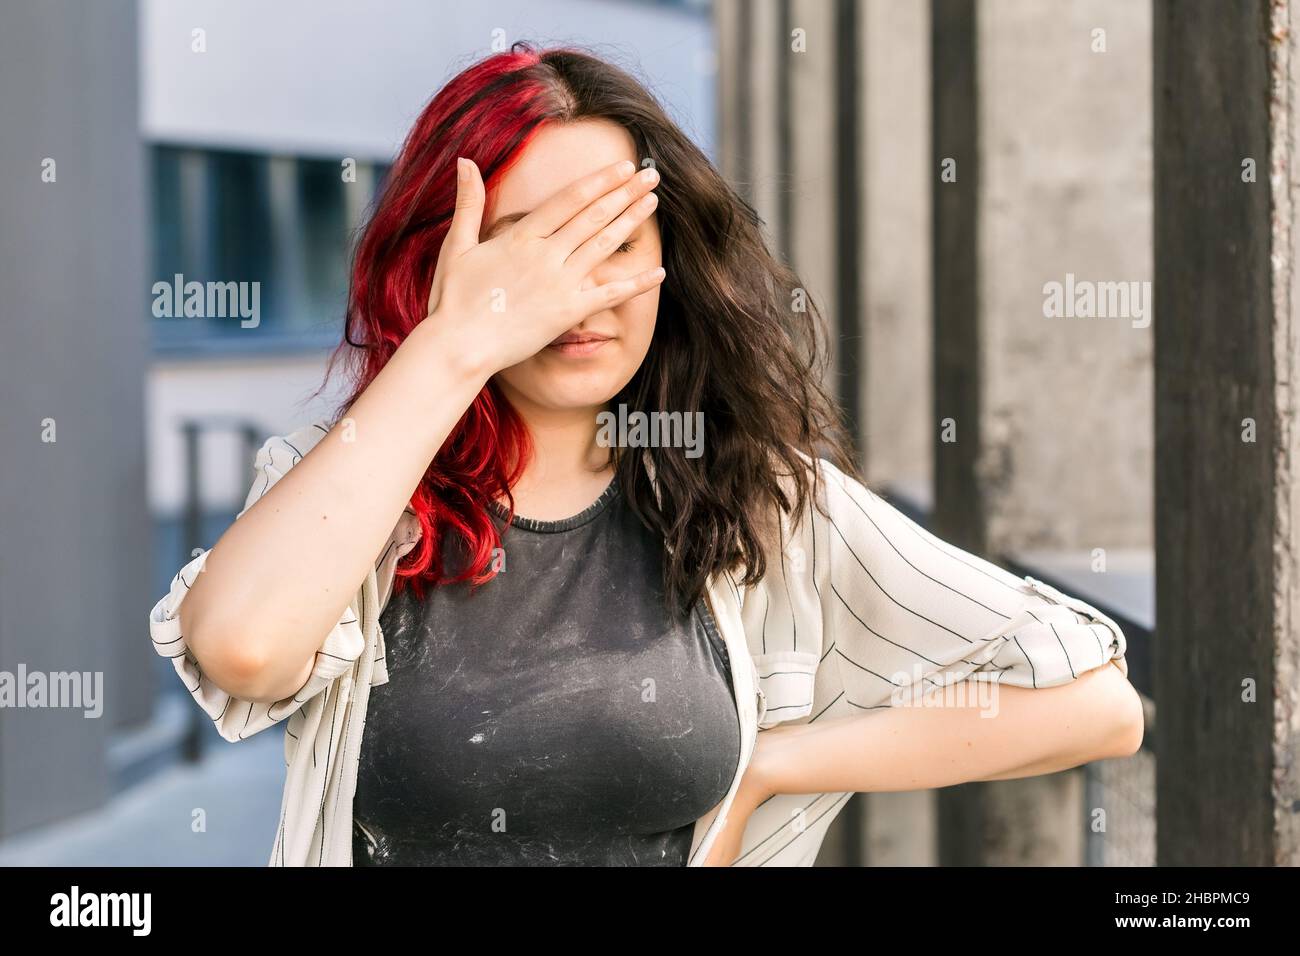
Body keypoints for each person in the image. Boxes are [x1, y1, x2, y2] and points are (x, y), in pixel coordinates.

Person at [148, 42, 1143, 867]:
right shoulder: (350, 481)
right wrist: (453, 347)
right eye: (529, 249)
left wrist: (769, 765)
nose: (576, 293)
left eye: (614, 242)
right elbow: (242, 646)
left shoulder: (751, 493)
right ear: (439, 266)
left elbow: (1094, 704)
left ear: (669, 260)